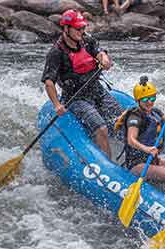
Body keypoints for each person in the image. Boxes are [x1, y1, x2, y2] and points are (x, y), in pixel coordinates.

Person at [42, 9, 123, 159]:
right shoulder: (56, 53)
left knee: (121, 121)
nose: (82, 31)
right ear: (66, 29)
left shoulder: (87, 40)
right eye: (78, 28)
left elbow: (99, 52)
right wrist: (57, 105)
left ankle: (134, 159)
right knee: (101, 129)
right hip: (76, 98)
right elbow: (48, 82)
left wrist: (104, 58)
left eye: (83, 28)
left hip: (97, 90)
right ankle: (108, 166)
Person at [114, 77, 165, 182]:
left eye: (153, 98)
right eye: (145, 99)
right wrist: (147, 149)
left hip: (153, 160)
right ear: (138, 100)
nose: (150, 102)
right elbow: (131, 140)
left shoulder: (156, 112)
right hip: (137, 164)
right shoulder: (135, 117)